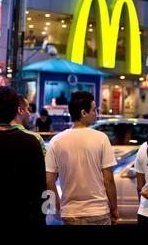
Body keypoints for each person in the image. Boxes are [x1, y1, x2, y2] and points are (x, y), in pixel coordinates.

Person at [45, 91, 119, 225]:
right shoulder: (101, 139)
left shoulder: (56, 141)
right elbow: (109, 179)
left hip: (70, 213)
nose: (96, 113)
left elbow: (49, 182)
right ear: (83, 113)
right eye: (94, 110)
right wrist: (114, 208)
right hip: (98, 212)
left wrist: (58, 207)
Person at [0, 86, 46, 225]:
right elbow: (40, 188)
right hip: (22, 216)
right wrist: (40, 218)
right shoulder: (31, 142)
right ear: (16, 110)